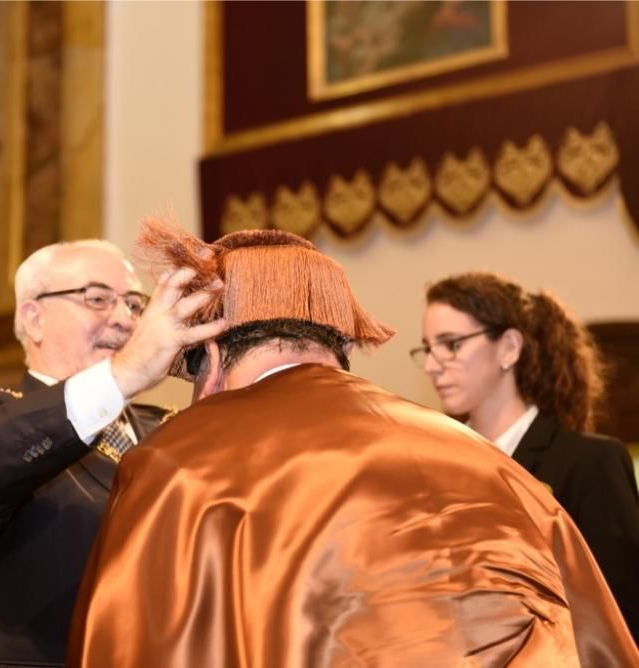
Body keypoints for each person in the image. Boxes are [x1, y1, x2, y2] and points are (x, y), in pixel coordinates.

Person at [66, 225, 638, 667]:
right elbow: (598, 642)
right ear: (336, 346)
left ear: (209, 359)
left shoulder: (176, 464)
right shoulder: (488, 461)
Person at [0, 239, 225, 667]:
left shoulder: (172, 427)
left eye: (134, 304)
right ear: (33, 319)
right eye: (97, 299)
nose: (124, 320)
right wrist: (123, 376)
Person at [415, 271, 639, 643]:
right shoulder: (434, 468)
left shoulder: (588, 462)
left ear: (509, 348)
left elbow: (622, 610)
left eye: (451, 344)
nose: (432, 365)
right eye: (427, 348)